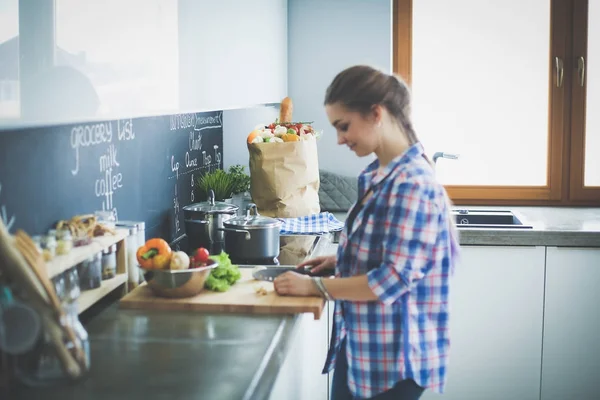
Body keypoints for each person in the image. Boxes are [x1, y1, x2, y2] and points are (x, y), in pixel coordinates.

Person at [273, 65, 460, 400]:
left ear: (376, 114)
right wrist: (340, 260)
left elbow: (394, 278)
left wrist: (315, 286)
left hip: (392, 362)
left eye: (344, 126)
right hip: (364, 347)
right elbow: (384, 252)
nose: (340, 139)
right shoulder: (379, 173)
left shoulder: (412, 184)